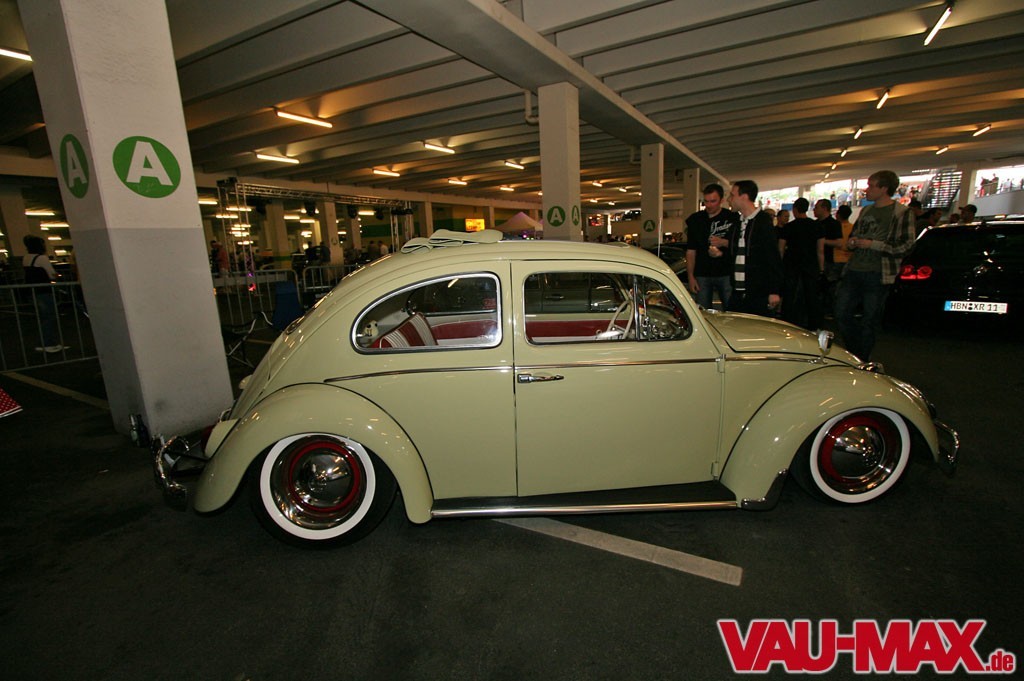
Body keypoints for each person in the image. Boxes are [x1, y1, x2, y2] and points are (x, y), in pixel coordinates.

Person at [834, 170, 915, 361]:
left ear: (884, 188)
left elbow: (907, 245)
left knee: (869, 320)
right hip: (854, 269)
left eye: (871, 186)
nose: (867, 190)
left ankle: (862, 358)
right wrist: (852, 242)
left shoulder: (901, 213)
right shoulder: (866, 211)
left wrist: (874, 245)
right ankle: (856, 353)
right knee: (841, 313)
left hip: (878, 273)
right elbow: (854, 235)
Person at [726, 180, 783, 317]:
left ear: (744, 197)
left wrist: (774, 291)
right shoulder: (737, 223)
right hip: (738, 290)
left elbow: (772, 257)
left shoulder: (763, 222)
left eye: (732, 195)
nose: (729, 199)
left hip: (758, 292)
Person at [685, 183, 739, 310]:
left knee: (731, 308)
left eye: (713, 201)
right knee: (704, 311)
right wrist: (690, 277)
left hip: (726, 272)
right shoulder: (695, 220)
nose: (709, 205)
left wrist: (723, 243)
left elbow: (740, 245)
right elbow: (690, 251)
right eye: (706, 201)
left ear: (721, 200)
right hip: (702, 273)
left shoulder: (733, 218)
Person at [778, 198, 824, 329]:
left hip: (791, 264)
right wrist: (821, 269)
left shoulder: (789, 227)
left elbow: (781, 248)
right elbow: (820, 250)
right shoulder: (816, 226)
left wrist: (780, 265)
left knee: (789, 295)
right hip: (810, 264)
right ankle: (813, 325)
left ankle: (787, 323)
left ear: (795, 210)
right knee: (811, 296)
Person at [22, 234, 65, 353]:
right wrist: (58, 276)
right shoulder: (42, 258)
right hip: (44, 291)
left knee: (43, 317)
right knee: (49, 316)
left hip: (32, 291)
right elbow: (51, 274)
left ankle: (45, 342)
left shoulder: (26, 258)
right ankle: (49, 343)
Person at [815, 198, 844, 319]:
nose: (814, 210)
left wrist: (821, 241)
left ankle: (829, 311)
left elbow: (839, 243)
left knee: (829, 288)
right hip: (816, 260)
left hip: (829, 261)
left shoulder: (834, 224)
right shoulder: (815, 224)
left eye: (817, 207)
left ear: (824, 208)